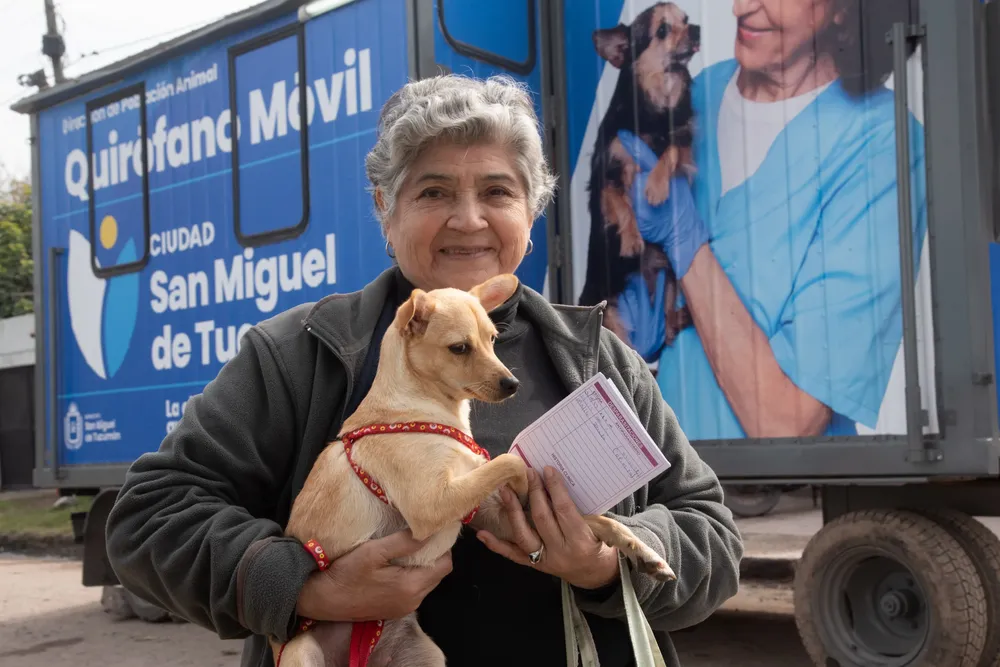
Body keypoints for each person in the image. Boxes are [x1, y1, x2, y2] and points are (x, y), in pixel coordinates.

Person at [104, 73, 743, 667]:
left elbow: (710, 533)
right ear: (387, 208)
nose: (469, 219)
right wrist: (308, 588)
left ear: (531, 212)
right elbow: (149, 517)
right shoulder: (300, 354)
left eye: (498, 192)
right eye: (433, 192)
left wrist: (605, 565)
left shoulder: (600, 360)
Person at [611, 0, 927, 441]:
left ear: (843, 9)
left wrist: (686, 244)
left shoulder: (880, 143)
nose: (741, 7)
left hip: (773, 481)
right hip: (662, 472)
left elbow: (788, 422)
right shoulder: (697, 93)